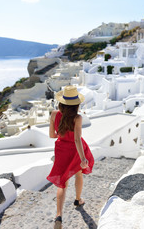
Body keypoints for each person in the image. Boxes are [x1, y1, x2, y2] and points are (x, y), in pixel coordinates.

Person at [47, 85, 94, 229]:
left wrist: (61, 134)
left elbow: (52, 135)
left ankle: (58, 215)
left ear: (61, 102)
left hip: (61, 150)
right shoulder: (77, 118)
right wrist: (83, 158)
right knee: (78, 175)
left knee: (62, 182)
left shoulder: (54, 114)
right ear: (76, 105)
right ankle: (78, 200)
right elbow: (77, 139)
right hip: (75, 150)